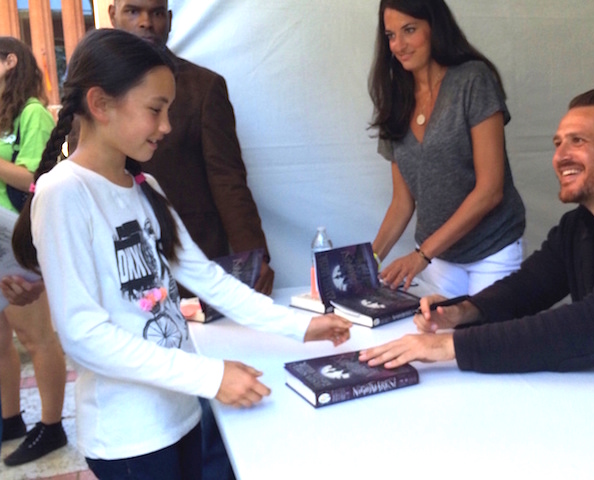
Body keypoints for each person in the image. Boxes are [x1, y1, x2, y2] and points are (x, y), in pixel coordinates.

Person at [11, 29, 351, 480]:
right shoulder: (64, 192)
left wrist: (302, 325)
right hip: (130, 439)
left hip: (181, 416)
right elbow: (82, 334)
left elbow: (209, 279)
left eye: (168, 110)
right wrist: (211, 377)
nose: (167, 126)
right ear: (100, 104)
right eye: (156, 109)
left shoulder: (145, 188)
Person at [359, 88, 594, 428]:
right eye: (558, 143)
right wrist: (464, 312)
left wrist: (449, 348)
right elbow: (528, 287)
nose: (561, 156)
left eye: (578, 141)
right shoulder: (579, 226)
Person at [108, 0, 274, 296]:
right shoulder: (93, 94)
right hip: (114, 263)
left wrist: (254, 254)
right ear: (112, 15)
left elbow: (228, 180)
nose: (146, 22)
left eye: (156, 13)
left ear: (169, 20)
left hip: (192, 262)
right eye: (133, 11)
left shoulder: (203, 88)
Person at [368, 0, 526, 298]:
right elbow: (402, 203)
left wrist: (422, 255)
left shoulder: (473, 80)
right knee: (430, 340)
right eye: (390, 35)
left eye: (409, 30)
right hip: (438, 259)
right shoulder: (396, 100)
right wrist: (367, 262)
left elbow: (490, 191)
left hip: (492, 251)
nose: (398, 44)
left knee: (484, 340)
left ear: (434, 27)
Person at [0, 36, 68, 466]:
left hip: (15, 239)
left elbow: (35, 179)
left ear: (8, 62)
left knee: (36, 337)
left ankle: (52, 426)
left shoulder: (32, 114)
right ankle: (9, 420)